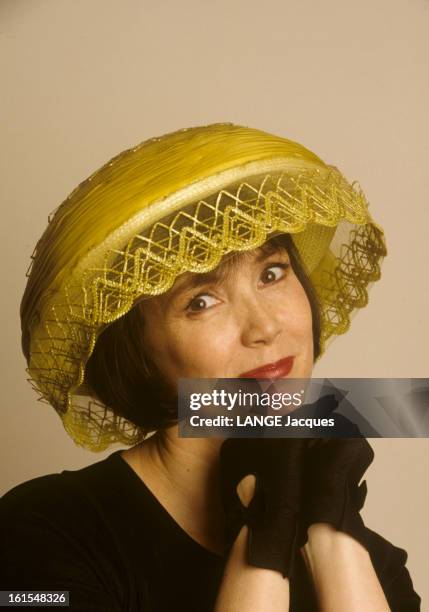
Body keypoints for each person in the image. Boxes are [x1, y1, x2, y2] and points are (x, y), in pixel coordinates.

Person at [0, 123, 421, 610]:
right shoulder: (42, 533)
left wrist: (333, 535)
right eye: (201, 301)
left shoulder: (378, 569)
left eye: (272, 273)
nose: (263, 327)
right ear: (136, 352)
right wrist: (264, 534)